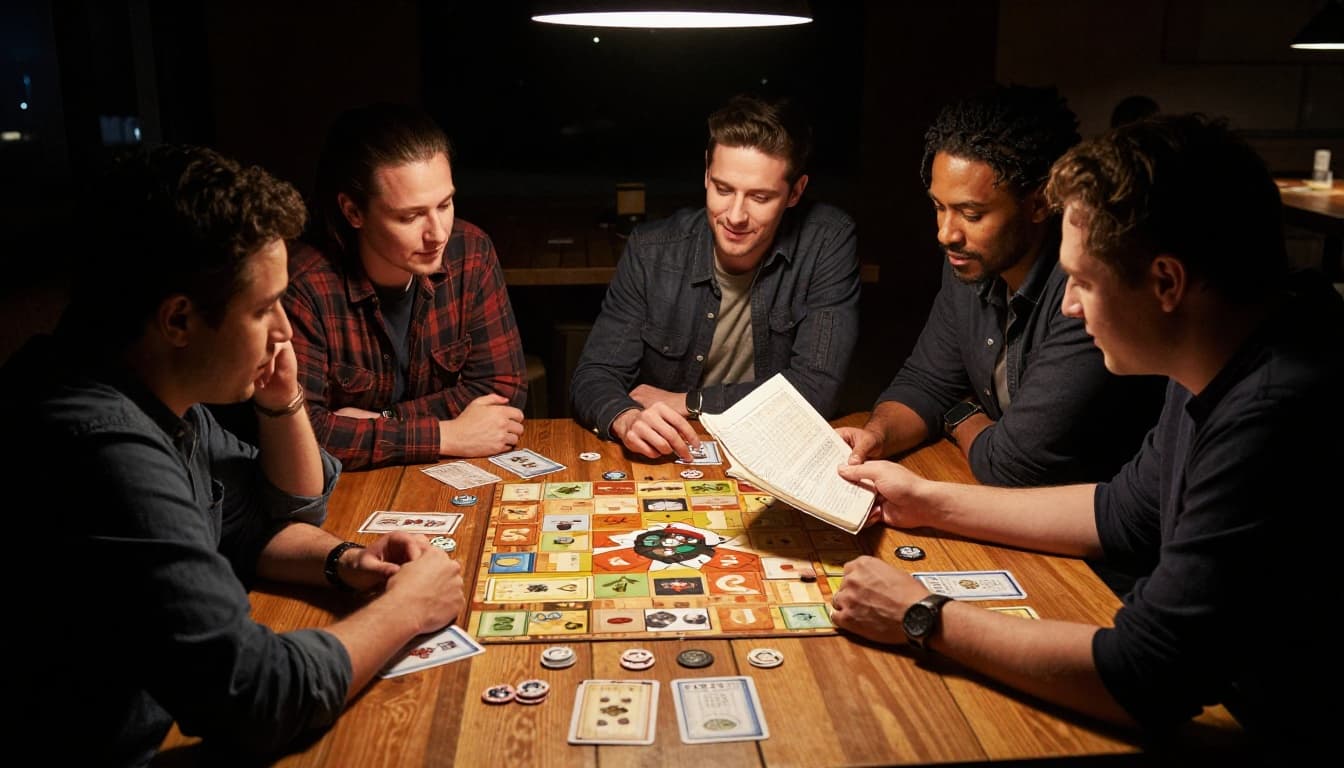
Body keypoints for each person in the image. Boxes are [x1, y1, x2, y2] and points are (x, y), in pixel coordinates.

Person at [831, 114, 1343, 764]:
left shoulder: (1277, 408)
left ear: (1166, 283)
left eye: (1085, 280)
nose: (1068, 306)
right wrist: (924, 500)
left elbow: (1145, 674)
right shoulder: (1216, 352)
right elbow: (1124, 512)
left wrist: (923, 614)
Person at [1, 145, 465, 765]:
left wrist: (349, 561)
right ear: (179, 319)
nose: (283, 331)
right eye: (262, 308)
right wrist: (406, 610)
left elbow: (259, 522)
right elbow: (257, 697)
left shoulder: (155, 393)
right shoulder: (100, 445)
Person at [839, 84, 1165, 487]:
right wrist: (877, 436)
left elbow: (1012, 464)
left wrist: (960, 414)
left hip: (1080, 536)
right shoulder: (969, 261)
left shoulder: (1084, 292)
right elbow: (925, 383)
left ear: (1041, 202)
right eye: (939, 207)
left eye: (971, 214)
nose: (946, 233)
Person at [571, 94, 861, 461]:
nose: (735, 215)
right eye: (723, 189)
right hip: (672, 456)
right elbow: (593, 375)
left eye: (759, 197)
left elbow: (816, 388)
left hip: (778, 453)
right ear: (707, 172)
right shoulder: (651, 249)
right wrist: (627, 419)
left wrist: (690, 402)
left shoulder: (827, 239)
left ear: (796, 192)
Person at [285, 102, 527, 470]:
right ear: (353, 212)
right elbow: (299, 436)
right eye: (410, 216)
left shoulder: (470, 250)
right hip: (344, 492)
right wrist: (447, 435)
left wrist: (381, 420)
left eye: (445, 205)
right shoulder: (303, 284)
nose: (438, 233)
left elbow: (502, 393)